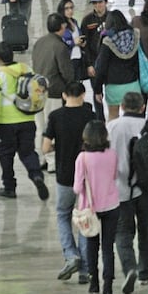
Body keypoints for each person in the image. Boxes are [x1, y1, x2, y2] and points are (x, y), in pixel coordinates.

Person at [107, 91, 148, 293]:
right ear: (143, 107)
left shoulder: (113, 127)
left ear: (121, 107)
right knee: (146, 229)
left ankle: (129, 266)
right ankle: (144, 271)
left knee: (122, 231)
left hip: (120, 189)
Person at [42, 82, 95, 282]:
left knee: (63, 215)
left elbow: (45, 148)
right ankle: (85, 270)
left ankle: (71, 255)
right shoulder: (90, 116)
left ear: (64, 95)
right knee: (84, 219)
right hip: (87, 178)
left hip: (64, 176)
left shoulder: (56, 117)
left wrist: (59, 145)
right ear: (83, 94)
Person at [0, 42, 50, 201]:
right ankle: (36, 175)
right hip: (27, 120)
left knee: (6, 156)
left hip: (5, 124)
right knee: (28, 152)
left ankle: (9, 187)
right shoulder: (26, 69)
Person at [74, 120, 120, 294]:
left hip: (89, 209)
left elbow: (77, 187)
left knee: (91, 246)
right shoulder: (112, 154)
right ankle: (108, 289)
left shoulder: (82, 158)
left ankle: (94, 283)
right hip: (111, 205)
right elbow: (115, 176)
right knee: (108, 248)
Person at [32, 13, 76, 166]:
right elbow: (66, 72)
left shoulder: (38, 43)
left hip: (37, 92)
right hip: (54, 93)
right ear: (61, 27)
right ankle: (52, 162)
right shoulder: (60, 46)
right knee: (53, 128)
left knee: (40, 127)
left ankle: (40, 159)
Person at [92, 10, 139, 121]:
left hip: (114, 86)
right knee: (133, 119)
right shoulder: (135, 37)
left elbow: (101, 67)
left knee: (113, 117)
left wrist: (97, 90)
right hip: (133, 84)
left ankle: (114, 138)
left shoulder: (108, 42)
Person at [81, 0, 110, 121]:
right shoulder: (87, 20)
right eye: (95, 3)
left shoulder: (112, 18)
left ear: (105, 2)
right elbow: (84, 44)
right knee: (97, 92)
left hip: (110, 62)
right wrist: (88, 64)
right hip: (94, 61)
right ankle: (100, 120)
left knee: (112, 90)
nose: (98, 5)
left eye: (100, 2)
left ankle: (114, 116)